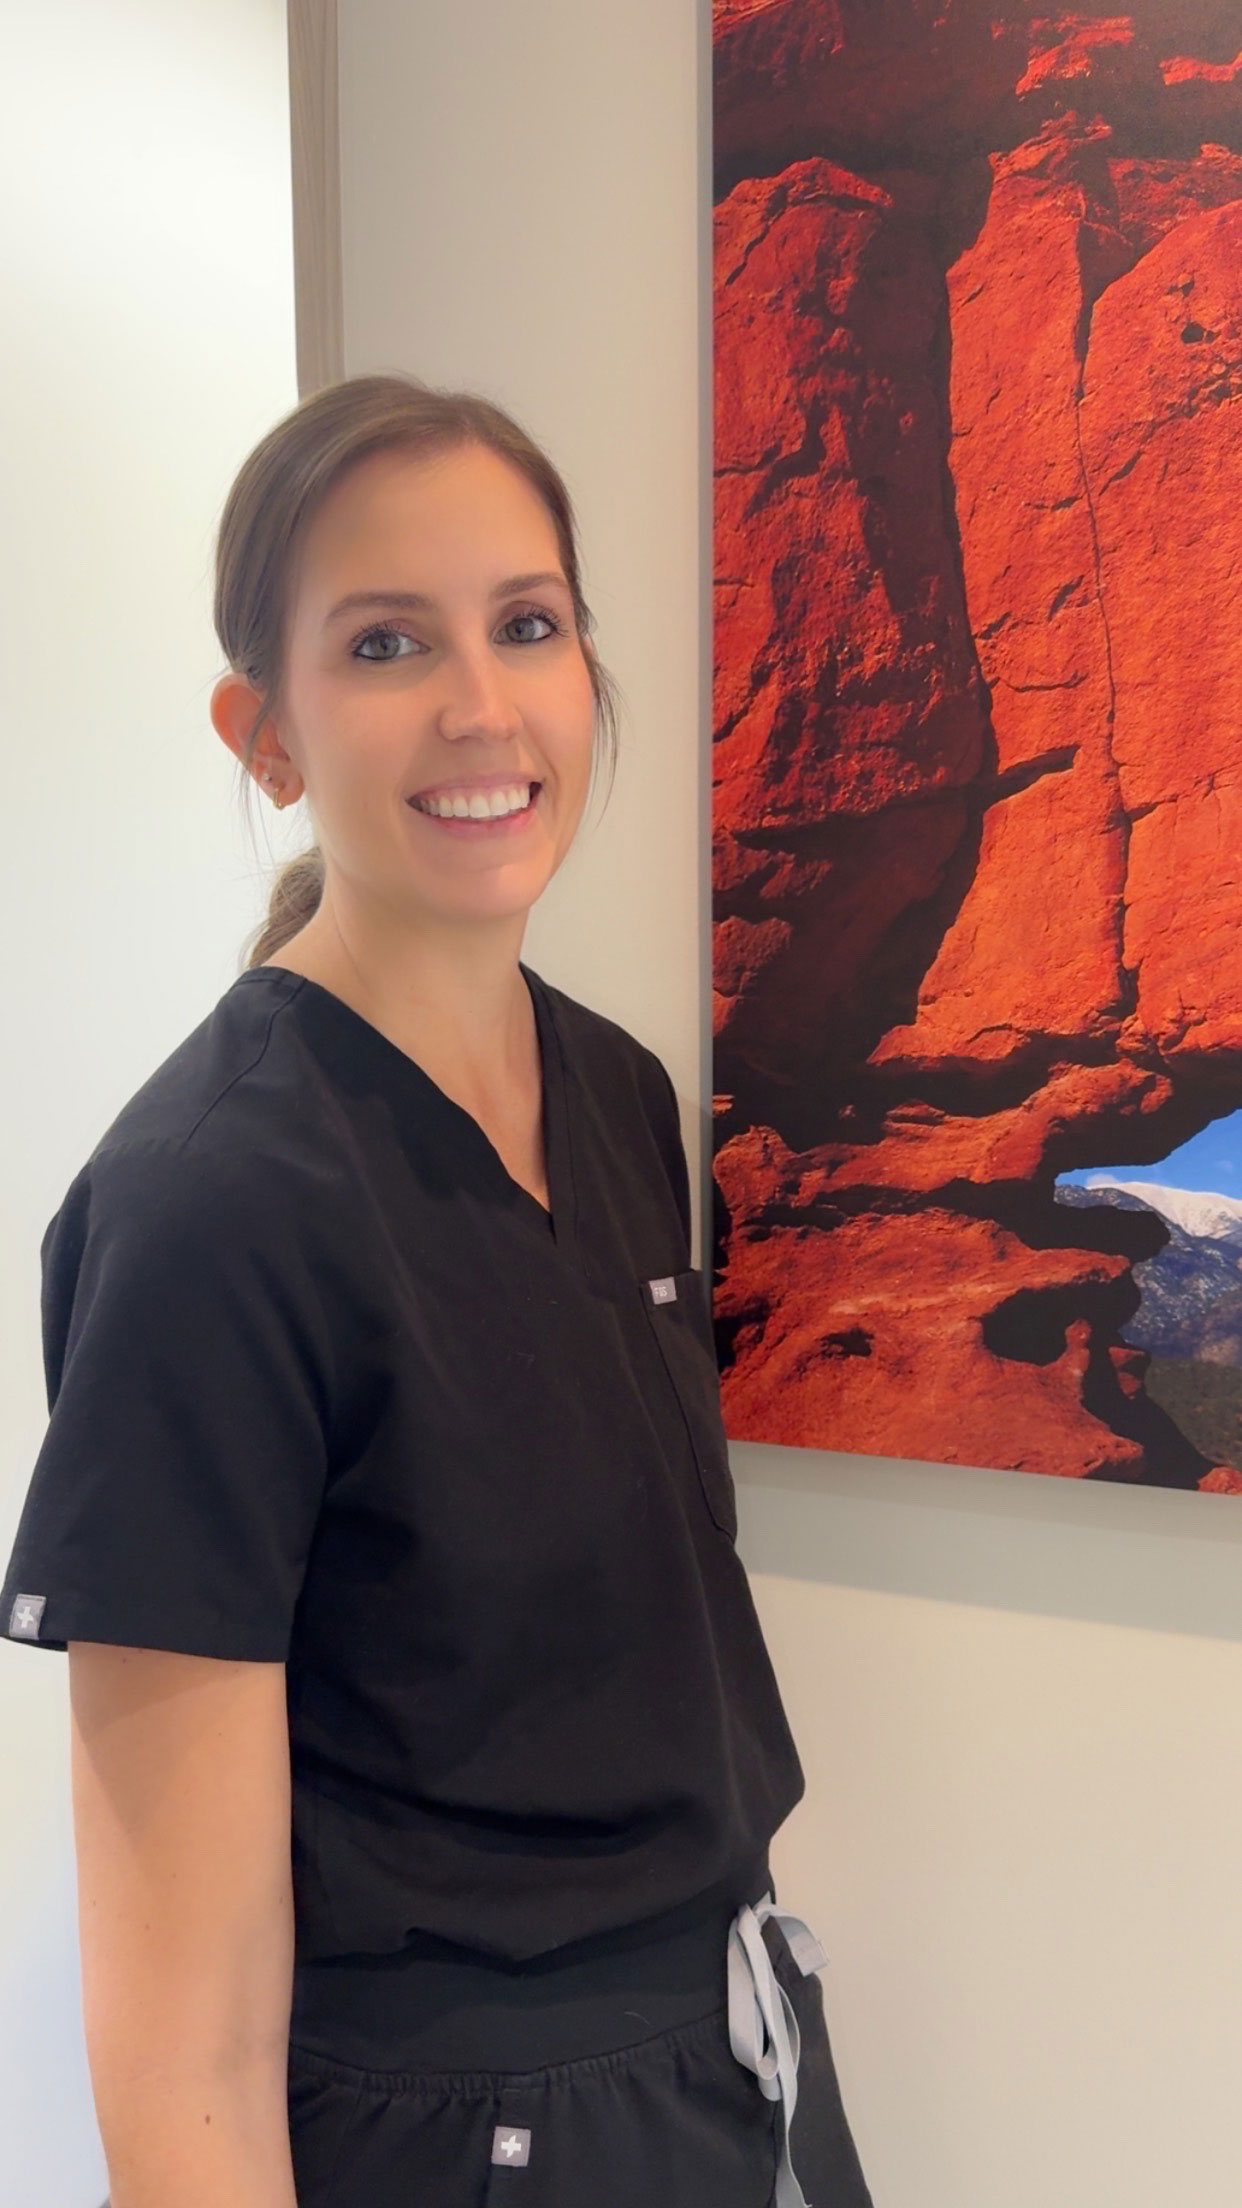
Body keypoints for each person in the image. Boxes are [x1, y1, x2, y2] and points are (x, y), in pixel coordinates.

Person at [1, 373, 874, 2207]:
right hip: (461, 2145)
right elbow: (182, 2042)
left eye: (527, 625)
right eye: (388, 641)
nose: (482, 705)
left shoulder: (618, 1094)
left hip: (723, 2062)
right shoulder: (210, 1210)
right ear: (269, 736)